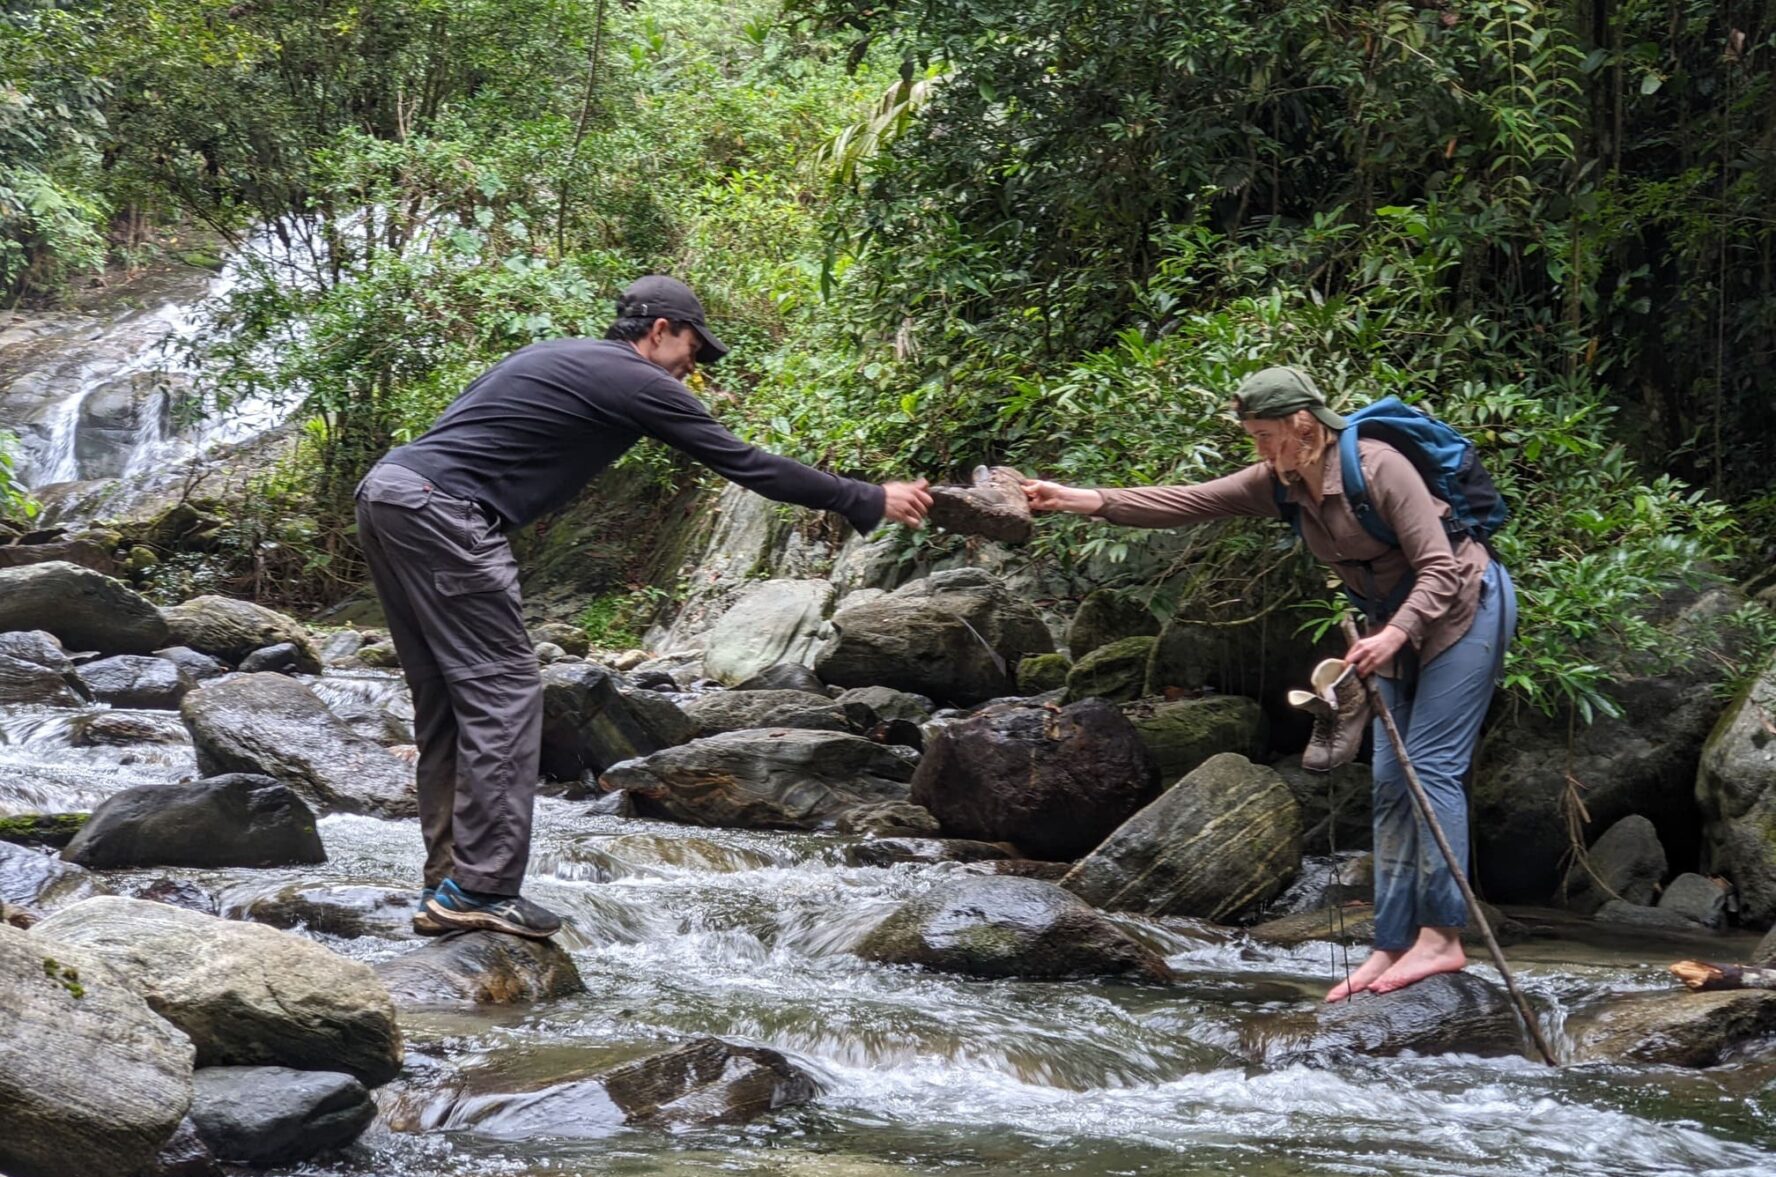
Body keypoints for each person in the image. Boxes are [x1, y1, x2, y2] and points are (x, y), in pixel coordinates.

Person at [355, 275, 933, 940]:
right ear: (659, 331)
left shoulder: (558, 356)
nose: (694, 366)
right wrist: (865, 498)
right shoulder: (636, 380)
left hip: (391, 494)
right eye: (693, 347)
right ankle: (480, 888)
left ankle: (449, 885)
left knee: (448, 703)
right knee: (507, 693)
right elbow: (745, 463)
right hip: (442, 513)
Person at [1021, 367, 1516, 1000]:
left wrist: (1396, 634)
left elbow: (1441, 568)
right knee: (1390, 779)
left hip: (1462, 605)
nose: (1257, 449)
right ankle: (1392, 943)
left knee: (1431, 769)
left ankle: (1442, 939)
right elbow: (1189, 500)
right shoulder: (1281, 483)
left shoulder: (1380, 467)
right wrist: (1078, 499)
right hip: (1390, 625)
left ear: (1301, 428)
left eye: (1263, 435)